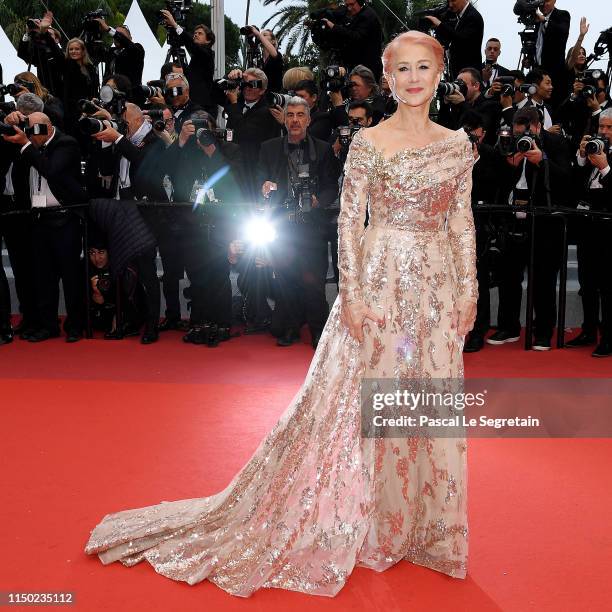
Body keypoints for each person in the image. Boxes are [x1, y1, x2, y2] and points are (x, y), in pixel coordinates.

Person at [84, 30, 477, 596]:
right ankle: (379, 527)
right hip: (383, 281)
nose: (414, 79)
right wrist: (357, 297)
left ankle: (430, 530)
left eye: (424, 68)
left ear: (440, 74)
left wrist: (468, 290)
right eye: (403, 70)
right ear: (388, 78)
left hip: (438, 287)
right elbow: (348, 224)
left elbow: (461, 223)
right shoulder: (369, 143)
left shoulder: (456, 144)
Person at [565, 109, 612, 357]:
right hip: (587, 227)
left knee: (608, 286)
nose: (603, 132)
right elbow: (573, 186)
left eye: (609, 128)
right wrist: (582, 158)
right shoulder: (594, 149)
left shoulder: (605, 158)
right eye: (601, 127)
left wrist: (605, 168)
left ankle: (609, 337)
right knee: (588, 282)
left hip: (609, 230)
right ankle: (589, 329)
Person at [425, 0, 484, 80]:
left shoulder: (473, 16)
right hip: (456, 73)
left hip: (469, 75)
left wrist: (439, 24)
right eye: (448, 1)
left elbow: (461, 39)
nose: (450, 5)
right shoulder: (457, 17)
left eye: (453, 1)